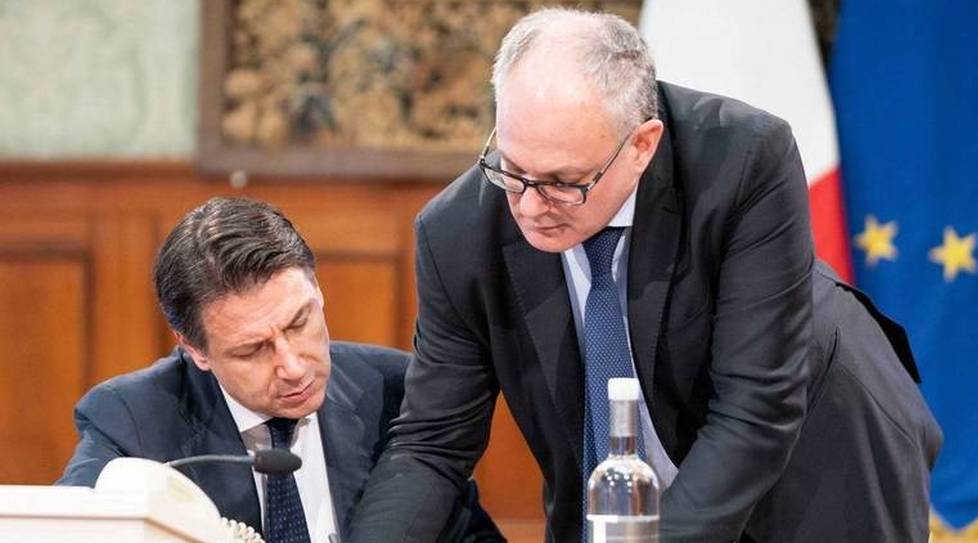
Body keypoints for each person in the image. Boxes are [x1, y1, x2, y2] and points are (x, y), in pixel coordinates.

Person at [348, 8, 941, 543]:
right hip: (625, 496)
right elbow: (432, 444)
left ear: (641, 145)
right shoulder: (456, 233)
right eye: (511, 168)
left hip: (818, 455)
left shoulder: (744, 160)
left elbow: (756, 406)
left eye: (562, 183)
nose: (528, 206)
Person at [57, 197, 503, 543]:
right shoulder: (132, 422)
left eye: (299, 323)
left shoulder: (396, 393)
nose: (292, 366)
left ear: (317, 289)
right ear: (194, 349)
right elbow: (64, 530)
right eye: (252, 350)